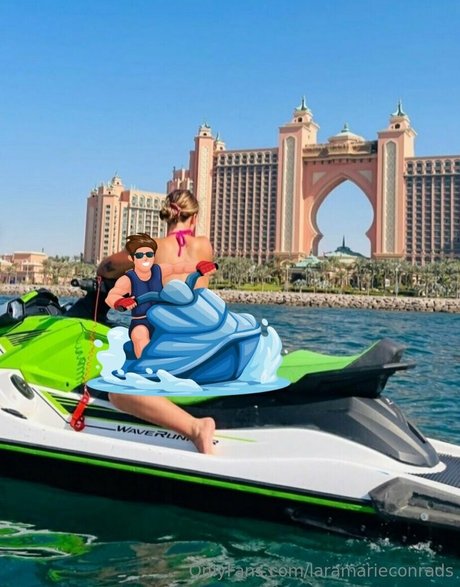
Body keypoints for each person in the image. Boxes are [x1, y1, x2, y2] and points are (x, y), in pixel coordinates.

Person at [98, 189, 216, 454]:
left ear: (166, 214)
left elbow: (107, 267)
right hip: (204, 341)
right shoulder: (205, 246)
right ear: (194, 217)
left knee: (117, 391)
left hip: (170, 346)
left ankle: (196, 427)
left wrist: (107, 272)